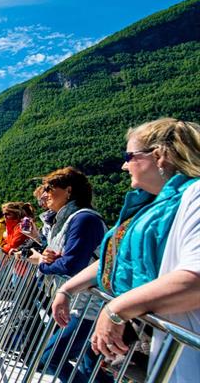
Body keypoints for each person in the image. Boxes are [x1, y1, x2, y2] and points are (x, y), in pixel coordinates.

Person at [52, 118, 200, 383]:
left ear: (159, 155)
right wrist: (66, 289)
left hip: (185, 352)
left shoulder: (196, 196)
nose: (123, 165)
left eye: (129, 156)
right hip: (159, 345)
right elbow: (115, 259)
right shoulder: (151, 208)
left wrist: (116, 310)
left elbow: (196, 281)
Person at [27, 167, 108, 382]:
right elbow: (59, 256)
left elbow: (71, 264)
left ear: (69, 191)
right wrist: (48, 256)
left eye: (49, 188)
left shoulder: (84, 220)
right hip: (77, 303)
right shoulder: (67, 220)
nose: (45, 194)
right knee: (88, 362)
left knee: (50, 357)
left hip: (88, 306)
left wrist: (42, 263)